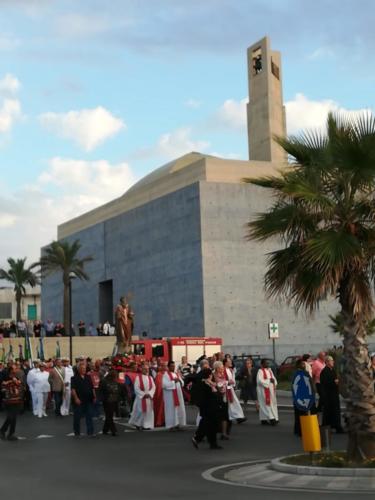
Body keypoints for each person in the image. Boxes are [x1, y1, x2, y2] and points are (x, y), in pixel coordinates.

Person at [192, 368, 222, 450]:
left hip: (211, 408)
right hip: (208, 409)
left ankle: (212, 443)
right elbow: (211, 396)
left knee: (211, 426)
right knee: (207, 425)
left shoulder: (209, 383)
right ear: (208, 375)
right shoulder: (204, 384)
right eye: (211, 374)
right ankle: (198, 438)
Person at [71, 362, 96, 437]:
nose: (84, 370)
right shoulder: (74, 378)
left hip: (88, 399)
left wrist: (94, 396)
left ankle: (90, 432)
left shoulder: (88, 377)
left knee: (89, 416)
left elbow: (92, 388)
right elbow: (73, 389)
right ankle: (77, 432)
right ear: (78, 369)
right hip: (79, 400)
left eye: (84, 368)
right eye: (82, 368)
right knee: (77, 417)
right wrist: (76, 398)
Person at [320, 355, 344, 433]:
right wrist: (335, 382)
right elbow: (325, 383)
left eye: (333, 360)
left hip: (334, 394)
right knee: (329, 412)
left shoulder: (332, 370)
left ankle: (336, 426)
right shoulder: (325, 371)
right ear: (327, 362)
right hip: (328, 396)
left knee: (335, 411)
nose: (333, 362)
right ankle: (328, 427)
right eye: (331, 360)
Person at [0, 364, 25, 441]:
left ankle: (10, 434)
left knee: (13, 418)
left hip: (17, 400)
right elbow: (3, 388)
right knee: (11, 417)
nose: (16, 370)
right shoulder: (5, 378)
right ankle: (4, 431)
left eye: (16, 368)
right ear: (10, 370)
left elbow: (20, 387)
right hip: (8, 401)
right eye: (14, 369)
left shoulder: (17, 378)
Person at [129, 362, 156, 430]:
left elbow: (153, 387)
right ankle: (138, 424)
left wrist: (150, 393)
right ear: (142, 370)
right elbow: (136, 388)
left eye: (147, 369)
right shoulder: (138, 377)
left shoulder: (150, 378)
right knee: (140, 411)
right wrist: (143, 394)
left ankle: (146, 425)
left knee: (148, 412)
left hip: (148, 398)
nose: (146, 370)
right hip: (140, 398)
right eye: (145, 369)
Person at [99, 369, 126, 436]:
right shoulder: (104, 381)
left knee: (109, 415)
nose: (115, 377)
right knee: (109, 416)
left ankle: (105, 430)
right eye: (114, 376)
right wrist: (101, 399)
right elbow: (101, 391)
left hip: (114, 401)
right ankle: (114, 430)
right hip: (107, 401)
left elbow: (120, 391)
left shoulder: (116, 382)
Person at [161, 361, 186, 430]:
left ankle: (178, 424)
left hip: (178, 394)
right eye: (171, 366)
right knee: (171, 410)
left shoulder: (176, 374)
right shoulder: (165, 375)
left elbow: (182, 383)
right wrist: (173, 381)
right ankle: (171, 426)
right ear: (168, 367)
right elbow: (164, 385)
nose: (173, 367)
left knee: (178, 409)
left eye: (174, 366)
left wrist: (180, 381)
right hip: (170, 396)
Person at [256, 358, 278, 425]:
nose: (268, 364)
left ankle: (263, 419)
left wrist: (274, 382)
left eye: (268, 363)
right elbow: (259, 381)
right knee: (265, 403)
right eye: (266, 363)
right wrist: (269, 380)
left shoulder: (270, 370)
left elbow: (273, 378)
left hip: (270, 389)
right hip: (263, 390)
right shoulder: (260, 371)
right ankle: (271, 418)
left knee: (270, 403)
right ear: (262, 364)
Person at [223, 357, 246, 422]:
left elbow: (233, 380)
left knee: (234, 403)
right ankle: (236, 417)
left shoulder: (230, 370)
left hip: (230, 389)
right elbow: (222, 380)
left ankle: (239, 416)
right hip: (226, 389)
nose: (231, 362)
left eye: (230, 361)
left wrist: (233, 383)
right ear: (225, 363)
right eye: (229, 361)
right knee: (231, 404)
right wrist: (228, 382)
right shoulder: (223, 370)